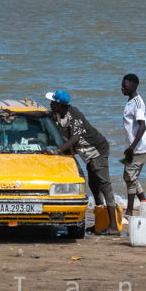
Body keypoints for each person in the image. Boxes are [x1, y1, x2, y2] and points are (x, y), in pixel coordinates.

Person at [45, 90, 120, 235]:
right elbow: (42, 114)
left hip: (97, 151)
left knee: (104, 185)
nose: (50, 104)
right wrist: (17, 113)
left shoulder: (74, 114)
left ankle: (113, 226)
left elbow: (76, 138)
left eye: (52, 102)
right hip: (88, 154)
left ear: (59, 104)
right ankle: (100, 223)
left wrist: (57, 151)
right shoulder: (58, 114)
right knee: (93, 185)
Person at [121, 74, 146, 216]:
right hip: (132, 148)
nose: (122, 88)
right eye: (122, 85)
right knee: (130, 177)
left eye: (125, 85)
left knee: (130, 178)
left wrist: (132, 148)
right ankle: (145, 203)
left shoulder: (138, 103)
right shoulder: (130, 101)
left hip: (138, 149)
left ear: (134, 86)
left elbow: (142, 126)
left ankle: (129, 211)